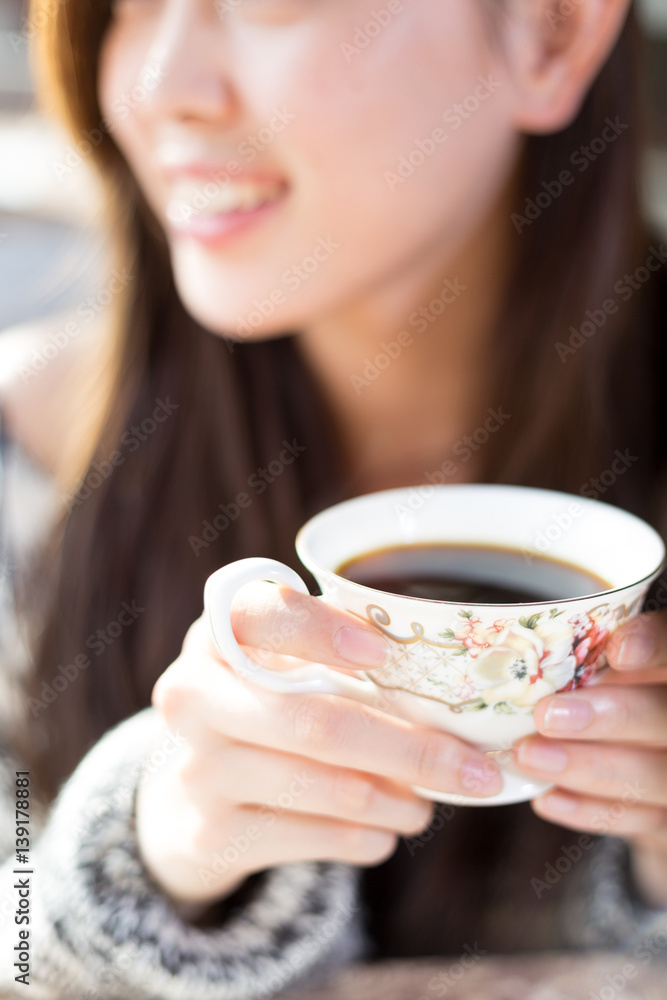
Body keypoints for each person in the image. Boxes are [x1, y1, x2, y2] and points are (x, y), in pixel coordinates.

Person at [1, 0, 667, 995]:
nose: (158, 89)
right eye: (126, 7)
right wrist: (150, 861)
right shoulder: (30, 450)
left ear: (551, 31)